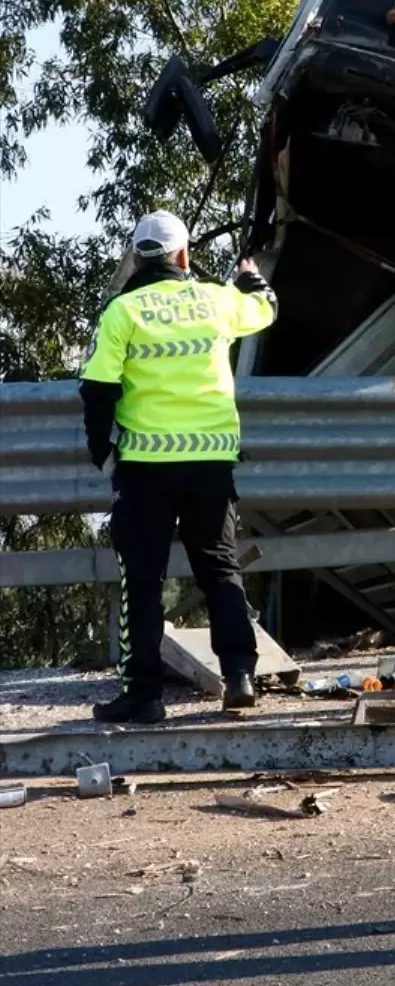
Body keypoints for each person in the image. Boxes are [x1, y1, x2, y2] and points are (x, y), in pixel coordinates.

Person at [79, 210, 278, 723]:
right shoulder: (215, 301)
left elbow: (97, 389)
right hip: (210, 463)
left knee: (142, 580)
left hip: (145, 466)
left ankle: (143, 696)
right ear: (184, 254)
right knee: (219, 567)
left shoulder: (122, 312)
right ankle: (239, 676)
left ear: (136, 257)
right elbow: (266, 308)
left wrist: (101, 452)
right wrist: (249, 276)